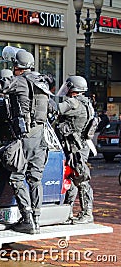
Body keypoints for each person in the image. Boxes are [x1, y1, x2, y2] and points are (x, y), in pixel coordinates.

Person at [0, 50, 53, 234]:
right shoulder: (43, 82)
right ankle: (37, 220)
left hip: (26, 137)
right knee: (35, 179)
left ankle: (27, 219)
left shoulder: (21, 81)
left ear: (17, 67)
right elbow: (53, 108)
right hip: (42, 136)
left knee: (17, 177)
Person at [56, 76, 95, 224]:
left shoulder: (74, 102)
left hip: (76, 148)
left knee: (82, 179)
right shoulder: (86, 103)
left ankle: (86, 214)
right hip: (78, 146)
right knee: (72, 179)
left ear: (73, 89)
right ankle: (67, 211)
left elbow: (55, 109)